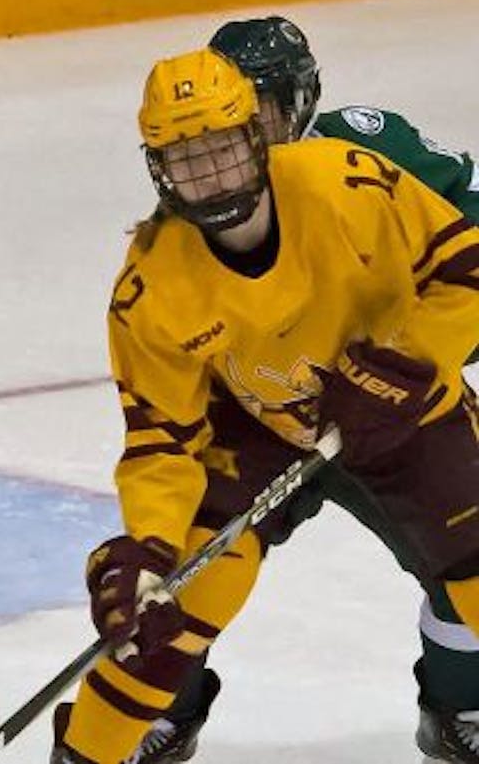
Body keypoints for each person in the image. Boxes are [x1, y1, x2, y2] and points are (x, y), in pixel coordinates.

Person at [50, 47, 479, 764]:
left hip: (399, 410)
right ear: (157, 169)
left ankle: (460, 701)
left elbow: (467, 266)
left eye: (221, 147)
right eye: (186, 159)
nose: (210, 174)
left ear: (255, 138)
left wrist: (411, 359)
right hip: (254, 423)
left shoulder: (347, 181)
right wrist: (148, 548)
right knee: (172, 607)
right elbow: (161, 441)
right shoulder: (151, 288)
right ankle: (93, 751)